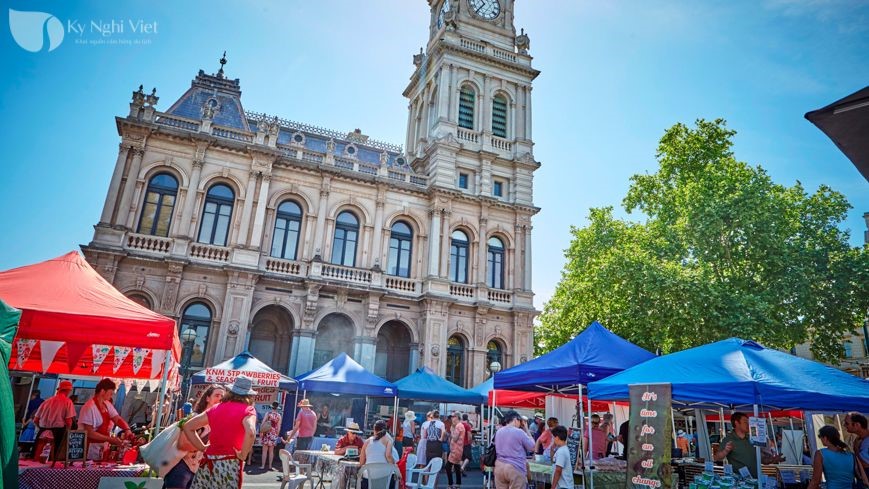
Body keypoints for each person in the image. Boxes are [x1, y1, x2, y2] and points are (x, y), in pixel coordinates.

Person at [183, 375, 257, 489]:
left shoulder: (216, 408)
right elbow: (251, 432)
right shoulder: (248, 410)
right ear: (249, 395)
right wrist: (243, 454)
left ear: (230, 391)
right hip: (230, 462)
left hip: (208, 462)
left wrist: (202, 447)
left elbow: (188, 427)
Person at [163, 384, 225, 489]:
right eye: (217, 395)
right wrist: (206, 447)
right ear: (207, 398)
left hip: (197, 469)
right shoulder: (194, 418)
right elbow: (182, 444)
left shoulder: (217, 421)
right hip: (181, 466)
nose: (219, 399)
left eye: (222, 397)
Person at [80, 378, 133, 460]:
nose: (111, 396)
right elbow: (89, 433)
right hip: (89, 447)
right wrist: (111, 439)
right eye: (110, 393)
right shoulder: (89, 407)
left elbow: (117, 419)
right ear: (102, 391)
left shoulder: (107, 404)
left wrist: (127, 429)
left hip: (102, 446)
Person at [32, 380, 76, 464]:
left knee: (37, 458)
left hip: (42, 431)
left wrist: (41, 428)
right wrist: (68, 432)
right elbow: (68, 421)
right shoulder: (67, 402)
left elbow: (36, 420)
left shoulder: (46, 401)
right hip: (58, 432)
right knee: (54, 460)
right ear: (68, 391)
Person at [494, 410, 535, 489]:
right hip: (515, 467)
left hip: (499, 466)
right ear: (516, 420)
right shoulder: (519, 432)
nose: (520, 424)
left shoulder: (498, 431)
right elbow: (532, 447)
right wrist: (526, 429)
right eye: (520, 421)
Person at [360, 420, 399, 489]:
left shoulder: (367, 442)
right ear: (385, 430)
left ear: (374, 429)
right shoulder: (388, 441)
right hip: (384, 479)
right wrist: (394, 465)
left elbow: (361, 462)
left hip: (368, 478)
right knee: (393, 476)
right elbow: (388, 456)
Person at [844, 412, 869, 480]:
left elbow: (866, 465)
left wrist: (856, 449)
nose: (844, 425)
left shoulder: (866, 441)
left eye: (847, 423)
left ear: (857, 425)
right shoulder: (859, 439)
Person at [259, 401, 282, 470]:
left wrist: (261, 431)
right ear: (277, 408)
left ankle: (263, 465)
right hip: (274, 433)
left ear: (271, 407)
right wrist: (277, 434)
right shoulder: (279, 415)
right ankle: (270, 466)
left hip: (267, 432)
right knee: (271, 451)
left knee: (264, 450)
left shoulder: (268, 413)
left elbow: (263, 422)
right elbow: (279, 426)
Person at [447, 412, 466, 488]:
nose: (452, 418)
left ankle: (450, 484)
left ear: (457, 417)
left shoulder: (458, 426)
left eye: (453, 416)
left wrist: (452, 430)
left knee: (448, 466)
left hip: (456, 450)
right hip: (456, 449)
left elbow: (455, 438)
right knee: (456, 466)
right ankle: (457, 484)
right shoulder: (458, 426)